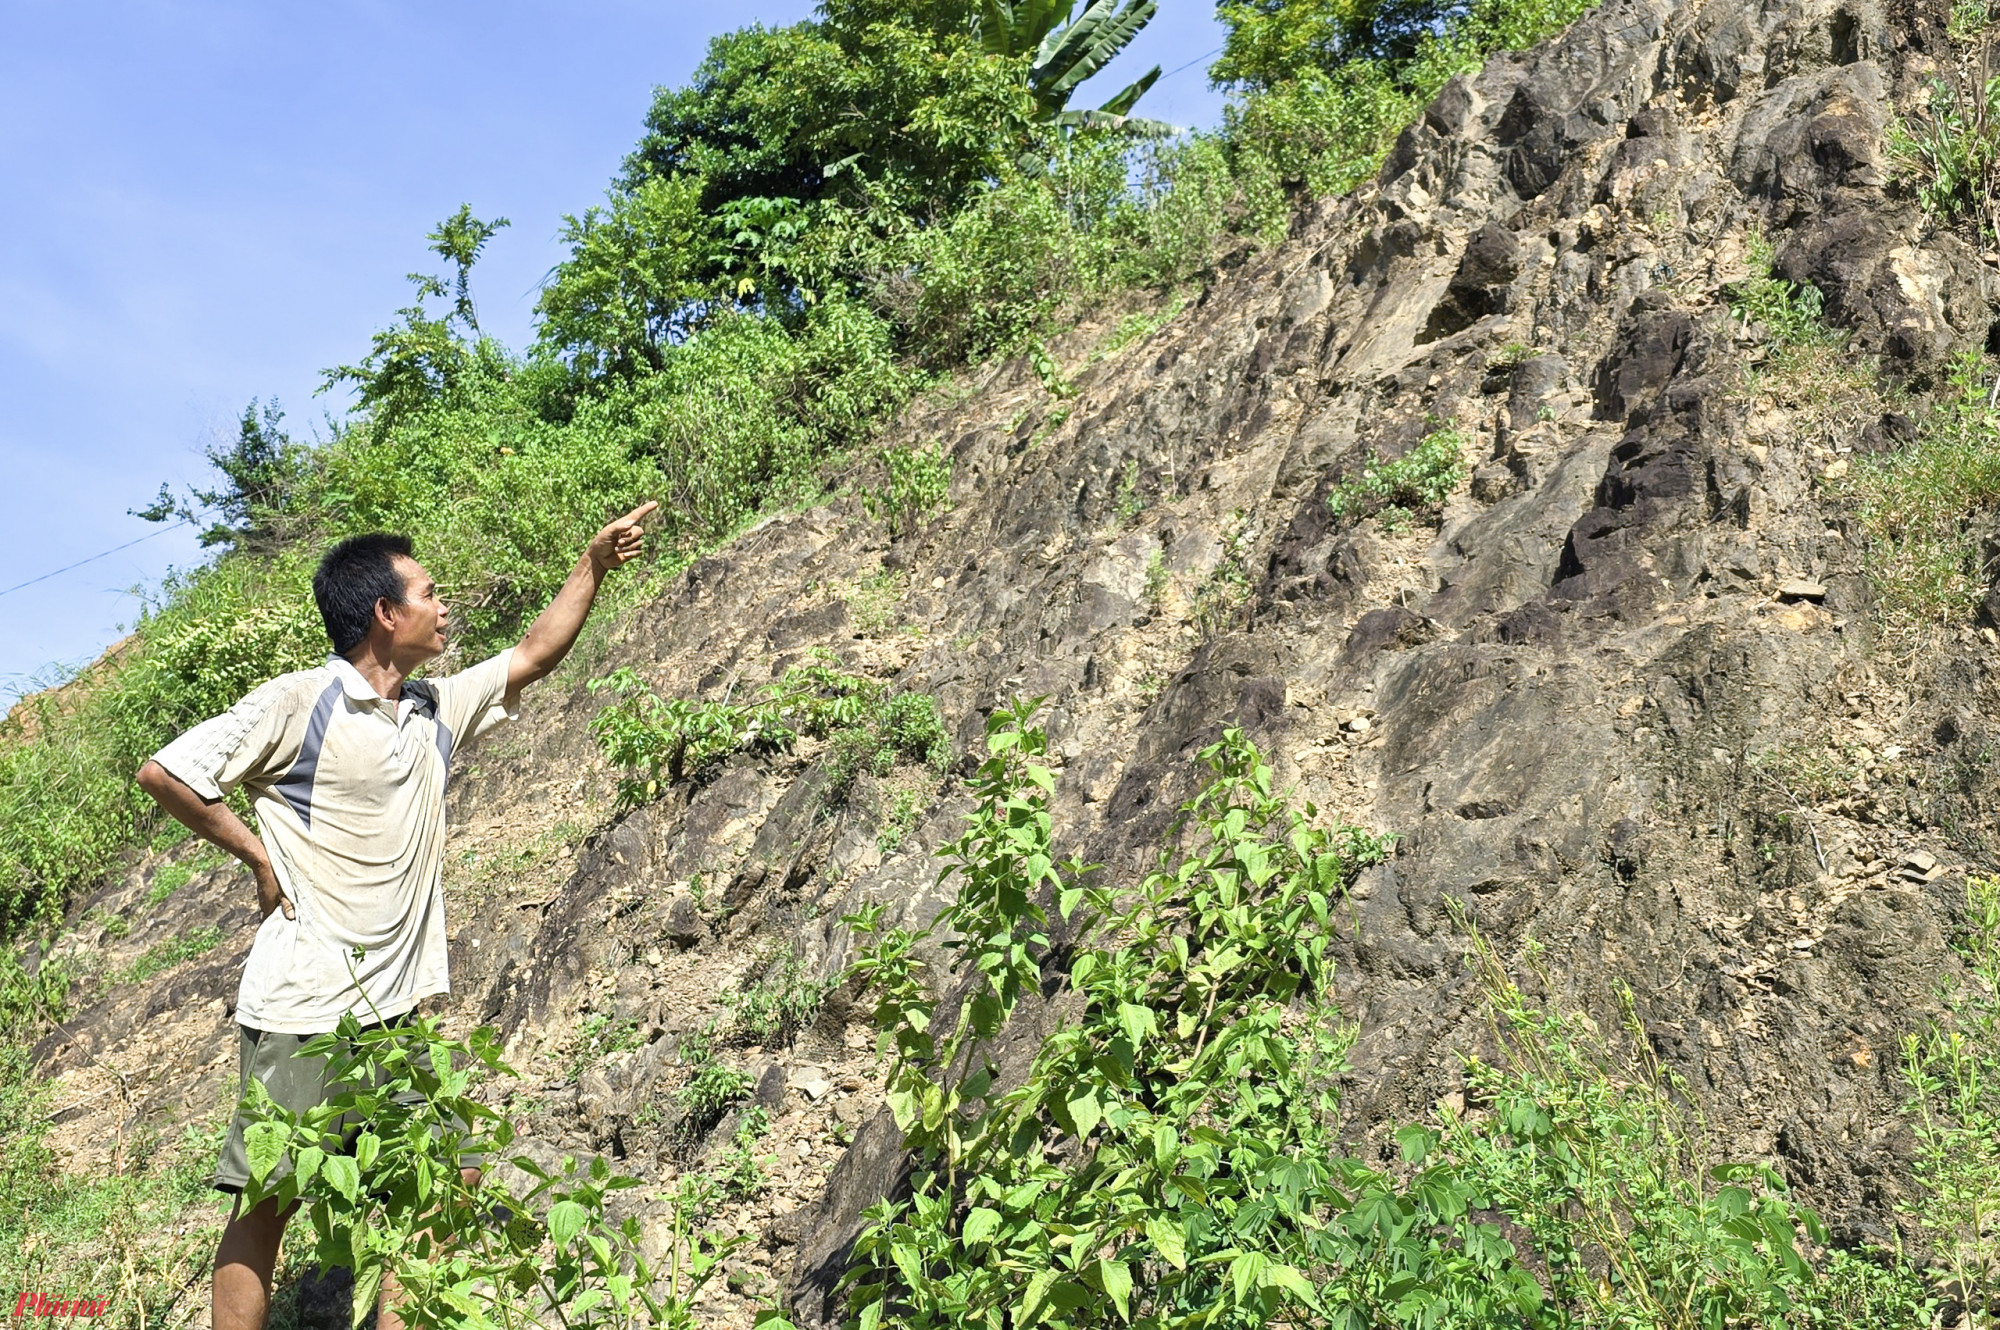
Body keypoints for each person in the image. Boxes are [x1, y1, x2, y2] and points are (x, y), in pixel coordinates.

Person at [135, 502, 658, 1330]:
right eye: (428, 592)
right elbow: (167, 773)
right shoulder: (299, 701)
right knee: (270, 1199)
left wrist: (592, 565)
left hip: (394, 1018)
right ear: (385, 613)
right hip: (305, 1010)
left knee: (445, 1175)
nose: (444, 606)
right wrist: (261, 856)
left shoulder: (433, 708)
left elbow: (530, 655)